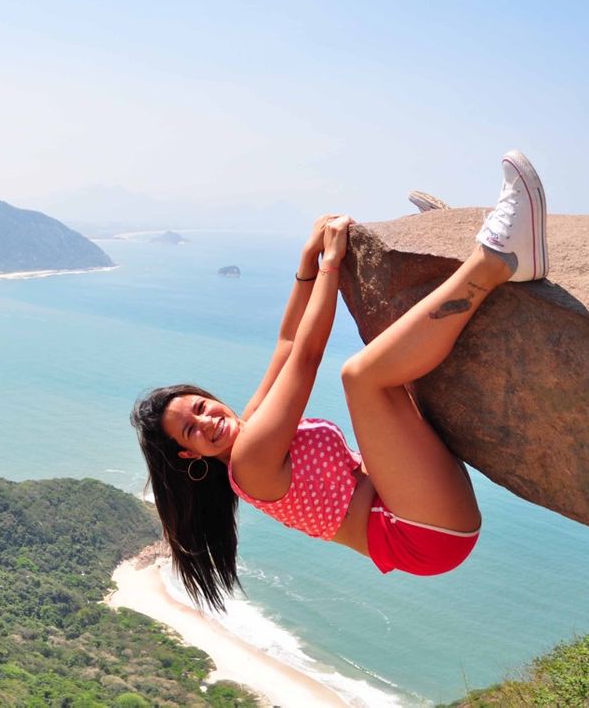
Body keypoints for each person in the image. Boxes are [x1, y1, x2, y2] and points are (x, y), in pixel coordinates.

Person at [131, 151, 548, 610]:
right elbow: (307, 360)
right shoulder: (248, 462)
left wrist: (306, 263)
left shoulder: (250, 429)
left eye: (200, 407)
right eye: (191, 430)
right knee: (362, 378)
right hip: (420, 533)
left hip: (415, 505)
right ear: (189, 455)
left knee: (400, 357)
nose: (206, 421)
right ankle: (497, 259)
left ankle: (444, 263)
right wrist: (332, 261)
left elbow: (288, 343)